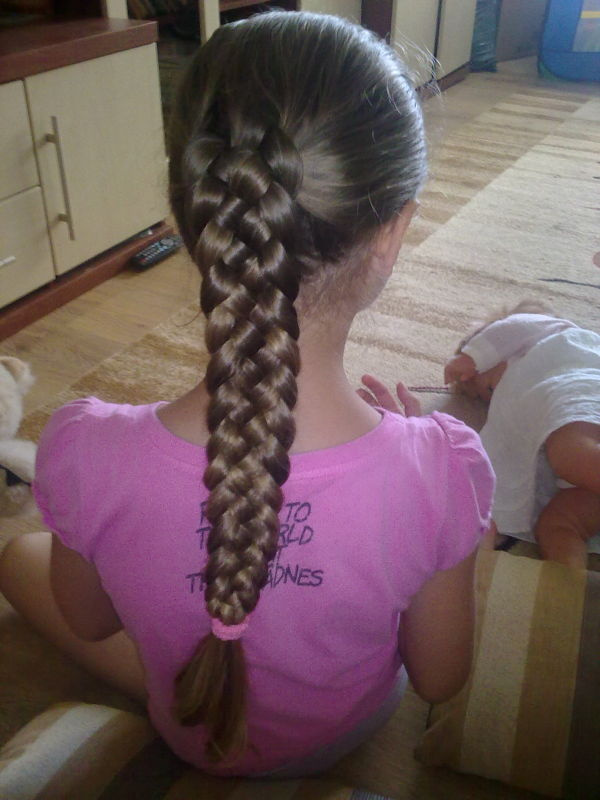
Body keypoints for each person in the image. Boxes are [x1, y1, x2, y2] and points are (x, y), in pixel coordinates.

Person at [0, 12, 494, 777]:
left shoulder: (85, 448)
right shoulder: (441, 469)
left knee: (16, 554)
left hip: (182, 716)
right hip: (345, 727)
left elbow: (90, 620)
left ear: (191, 216)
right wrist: (453, 515)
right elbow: (440, 677)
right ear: (391, 233)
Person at [444, 302, 600, 569]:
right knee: (556, 524)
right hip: (583, 479)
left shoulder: (540, 333)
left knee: (570, 454)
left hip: (581, 397)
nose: (495, 397)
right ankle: (567, 586)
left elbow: (512, 328)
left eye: (490, 387)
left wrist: (470, 356)